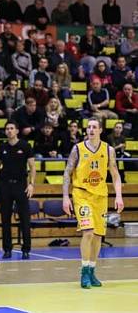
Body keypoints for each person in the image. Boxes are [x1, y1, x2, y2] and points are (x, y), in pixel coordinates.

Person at [62, 118, 123, 289]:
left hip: (100, 196)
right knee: (88, 232)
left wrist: (118, 196)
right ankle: (84, 272)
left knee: (97, 235)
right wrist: (66, 197)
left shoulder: (108, 150)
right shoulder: (78, 149)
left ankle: (92, 271)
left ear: (101, 130)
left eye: (94, 127)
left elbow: (115, 174)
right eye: (88, 127)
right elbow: (67, 173)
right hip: (81, 194)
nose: (91, 130)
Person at [0, 121, 35, 259]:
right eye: (7, 129)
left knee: (25, 219)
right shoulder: (2, 147)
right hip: (5, 186)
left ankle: (26, 249)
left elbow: (32, 167)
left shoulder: (25, 146)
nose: (9, 131)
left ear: (17, 131)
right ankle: (7, 249)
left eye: (11, 128)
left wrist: (31, 184)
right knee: (5, 219)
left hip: (21, 185)